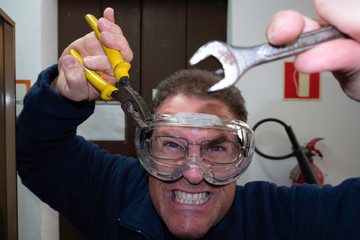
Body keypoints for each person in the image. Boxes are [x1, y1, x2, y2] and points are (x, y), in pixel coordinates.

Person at [16, 0, 360, 239]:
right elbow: (37, 156)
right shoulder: (114, 193)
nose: (193, 173)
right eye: (171, 144)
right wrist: (63, 98)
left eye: (215, 148)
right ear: (147, 148)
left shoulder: (288, 219)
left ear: (241, 154)